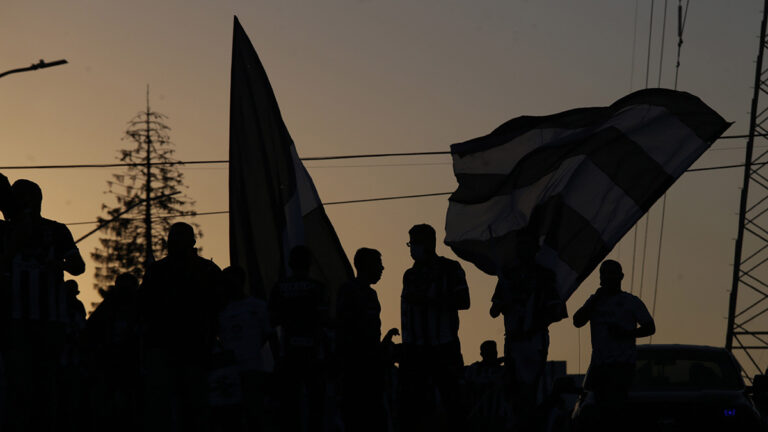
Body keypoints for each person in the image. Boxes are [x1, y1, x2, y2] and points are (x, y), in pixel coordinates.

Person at [1, 179, 85, 432]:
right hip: (14, 319)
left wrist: (59, 264)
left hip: (49, 320)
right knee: (16, 381)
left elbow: (78, 266)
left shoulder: (57, 231)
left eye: (29, 198)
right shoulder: (3, 232)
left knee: (45, 381)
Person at [138, 222, 221, 432]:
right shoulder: (157, 271)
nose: (175, 246)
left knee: (194, 407)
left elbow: (220, 307)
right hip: (165, 348)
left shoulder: (207, 270)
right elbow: (142, 308)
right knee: (165, 409)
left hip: (195, 349)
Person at [489, 232, 565, 429]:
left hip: (534, 341)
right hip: (513, 342)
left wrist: (534, 319)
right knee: (512, 391)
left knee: (531, 390)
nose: (523, 251)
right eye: (520, 247)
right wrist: (507, 300)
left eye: (527, 247)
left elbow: (556, 311)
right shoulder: (507, 275)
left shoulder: (544, 276)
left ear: (534, 250)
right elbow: (494, 311)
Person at [399, 224, 470, 431]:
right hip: (417, 351)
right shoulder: (410, 275)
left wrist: (428, 300)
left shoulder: (451, 269)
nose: (412, 249)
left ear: (429, 244)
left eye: (415, 243)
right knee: (417, 408)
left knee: (453, 404)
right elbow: (406, 313)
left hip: (445, 348)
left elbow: (464, 301)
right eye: (411, 244)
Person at [573, 259, 655, 431]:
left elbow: (650, 327)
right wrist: (594, 301)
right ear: (600, 278)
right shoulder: (594, 301)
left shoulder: (630, 302)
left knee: (617, 412)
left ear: (621, 276)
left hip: (622, 367)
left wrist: (625, 333)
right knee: (594, 412)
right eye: (605, 274)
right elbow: (577, 321)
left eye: (613, 273)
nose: (609, 278)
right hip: (599, 366)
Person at [336, 247, 398, 432]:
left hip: (372, 369)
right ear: (366, 266)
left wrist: (384, 342)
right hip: (355, 370)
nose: (382, 269)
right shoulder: (349, 290)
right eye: (378, 264)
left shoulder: (372, 295)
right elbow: (346, 329)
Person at [268, 245, 328, 432]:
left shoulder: (280, 287)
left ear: (290, 263)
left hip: (289, 353)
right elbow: (324, 321)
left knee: (289, 405)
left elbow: (272, 321)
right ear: (309, 263)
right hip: (313, 354)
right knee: (316, 405)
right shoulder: (318, 288)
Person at [215, 265, 273, 432]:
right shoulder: (221, 311)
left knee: (255, 414)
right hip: (229, 373)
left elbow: (268, 335)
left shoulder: (257, 306)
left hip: (253, 369)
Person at [464, 341, 507, 431]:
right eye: (489, 352)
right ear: (482, 354)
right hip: (478, 417)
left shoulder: (502, 370)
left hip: (497, 418)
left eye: (493, 352)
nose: (492, 355)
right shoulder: (474, 369)